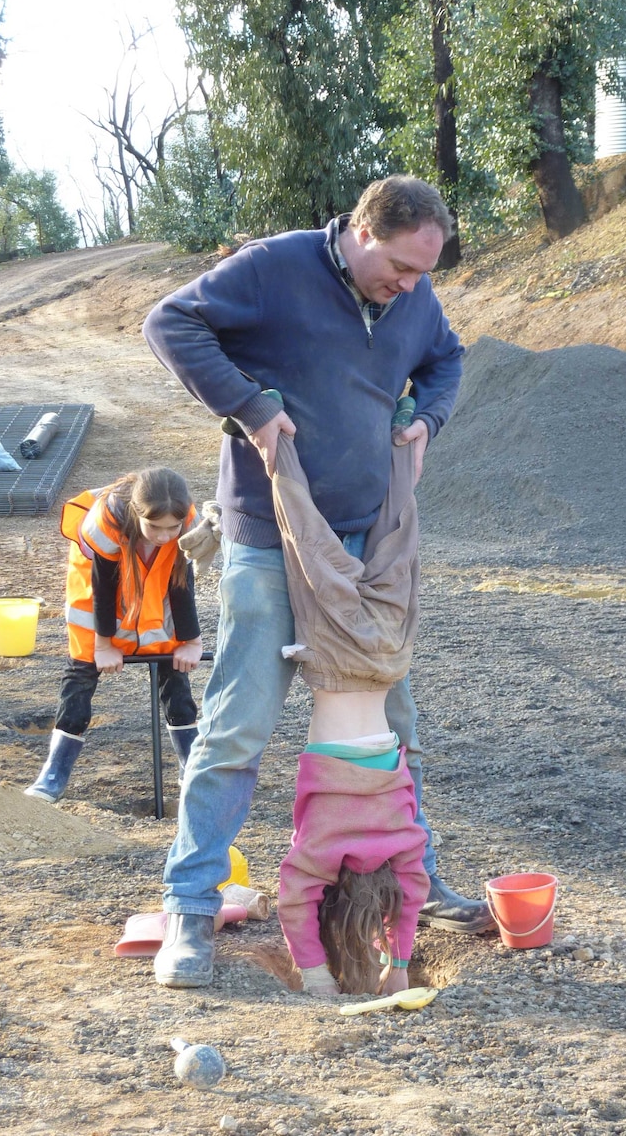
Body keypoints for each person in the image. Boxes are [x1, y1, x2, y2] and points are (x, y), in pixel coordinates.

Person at [143, 174, 495, 990]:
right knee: (238, 724)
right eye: (403, 269)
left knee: (393, 716)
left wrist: (426, 419)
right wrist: (248, 408)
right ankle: (189, 911)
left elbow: (447, 359)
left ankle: (422, 878)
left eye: (423, 275)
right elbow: (171, 322)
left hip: (367, 540)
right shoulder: (275, 269)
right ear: (366, 231)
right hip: (269, 537)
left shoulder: (415, 297)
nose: (411, 288)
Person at [273, 424, 429, 998]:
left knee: (400, 526)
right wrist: (318, 978)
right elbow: (293, 900)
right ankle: (274, 437)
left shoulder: (404, 843)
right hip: (336, 662)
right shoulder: (321, 854)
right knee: (303, 533)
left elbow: (412, 892)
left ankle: (401, 430)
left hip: (389, 655)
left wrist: (401, 962)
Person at [24, 468, 205, 803]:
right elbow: (103, 588)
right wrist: (104, 645)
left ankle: (191, 765)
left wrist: (191, 642)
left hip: (153, 598)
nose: (164, 536)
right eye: (154, 527)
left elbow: (182, 585)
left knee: (175, 677)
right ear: (137, 515)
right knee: (80, 678)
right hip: (98, 598)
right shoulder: (106, 522)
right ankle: (54, 773)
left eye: (172, 528)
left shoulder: (189, 524)